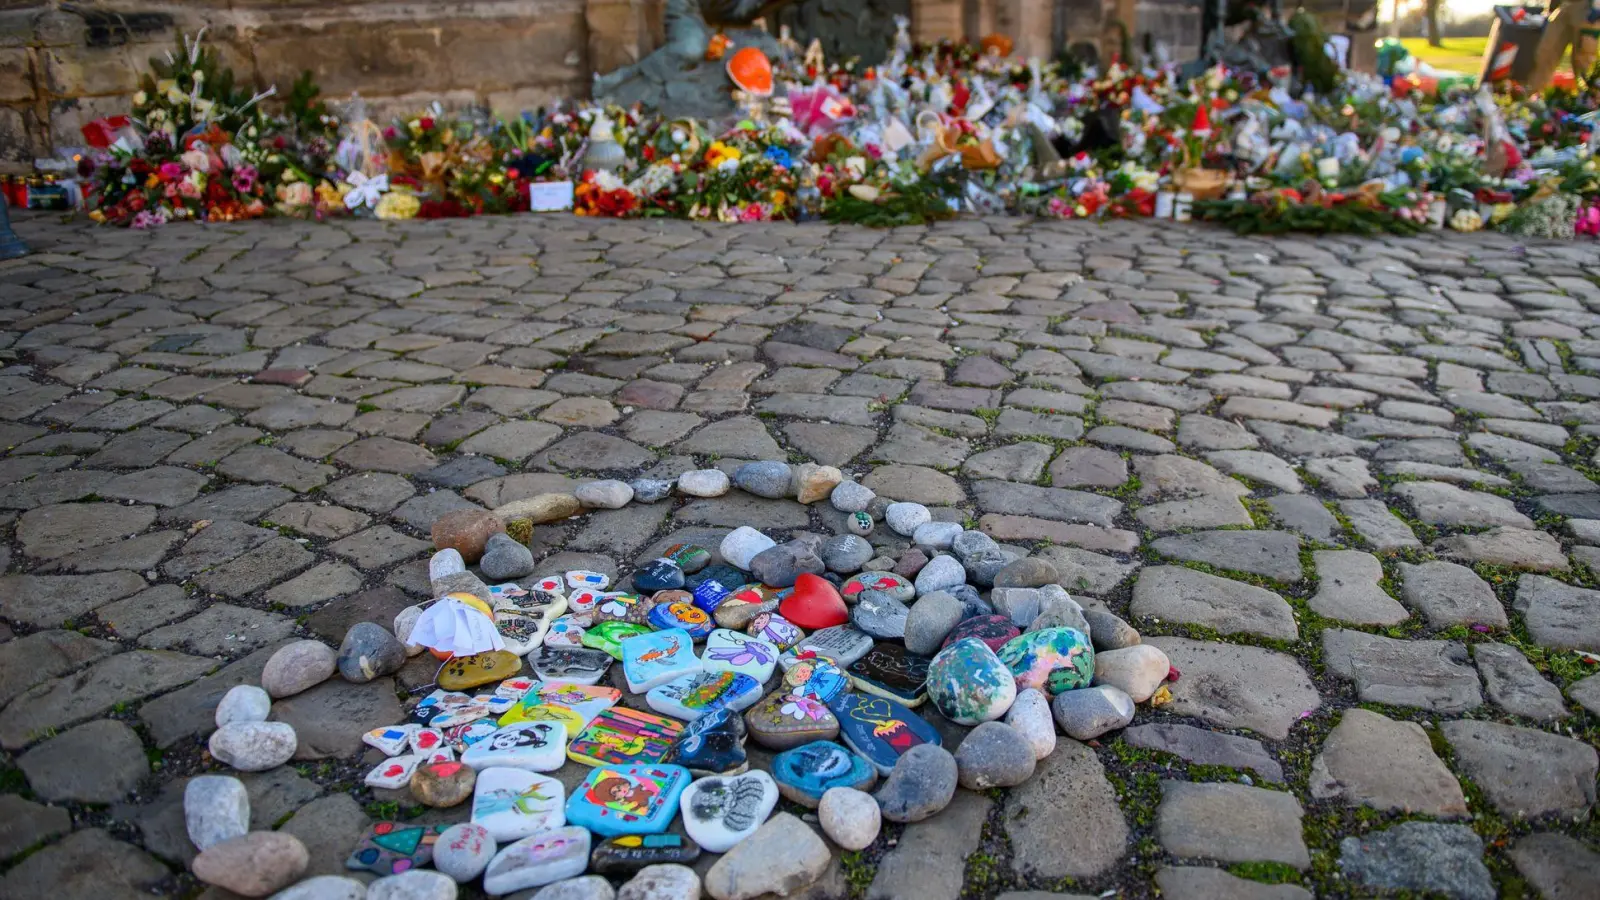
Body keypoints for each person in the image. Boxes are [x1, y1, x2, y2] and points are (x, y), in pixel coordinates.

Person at [1527, 0, 1599, 91]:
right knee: (1546, 53)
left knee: (1583, 60)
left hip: (1588, 8)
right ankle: (1535, 95)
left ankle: (1588, 98)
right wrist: (1552, 6)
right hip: (1563, 6)